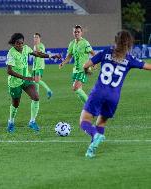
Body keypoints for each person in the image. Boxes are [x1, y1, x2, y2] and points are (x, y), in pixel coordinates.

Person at [80, 30, 151, 158]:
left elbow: (86, 65)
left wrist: (87, 71)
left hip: (99, 92)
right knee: (101, 122)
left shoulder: (106, 51)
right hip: (114, 97)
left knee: (84, 121)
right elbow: (148, 66)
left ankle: (95, 134)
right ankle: (91, 149)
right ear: (128, 44)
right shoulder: (129, 59)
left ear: (115, 41)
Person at [6, 33, 61, 133]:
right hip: (15, 82)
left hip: (26, 79)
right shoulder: (11, 53)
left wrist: (51, 56)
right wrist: (24, 77)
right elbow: (9, 71)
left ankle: (32, 121)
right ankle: (11, 122)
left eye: (21, 43)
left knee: (36, 97)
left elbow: (38, 54)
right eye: (18, 43)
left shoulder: (26, 48)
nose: (20, 45)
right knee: (15, 104)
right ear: (14, 43)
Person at [59, 25, 95, 104]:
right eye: (75, 32)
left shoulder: (85, 42)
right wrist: (63, 63)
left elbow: (93, 53)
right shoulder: (72, 43)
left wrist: (94, 63)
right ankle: (87, 108)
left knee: (75, 88)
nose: (76, 33)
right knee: (78, 91)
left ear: (81, 33)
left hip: (84, 68)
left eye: (78, 32)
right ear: (73, 33)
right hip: (76, 69)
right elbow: (69, 57)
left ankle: (91, 106)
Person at [32, 33, 53, 99]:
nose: (35, 39)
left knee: (37, 80)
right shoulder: (35, 46)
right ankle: (37, 94)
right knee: (35, 81)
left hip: (39, 66)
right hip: (34, 66)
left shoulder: (41, 45)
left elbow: (39, 53)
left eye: (37, 37)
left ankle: (49, 90)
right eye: (34, 37)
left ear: (39, 38)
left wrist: (36, 45)